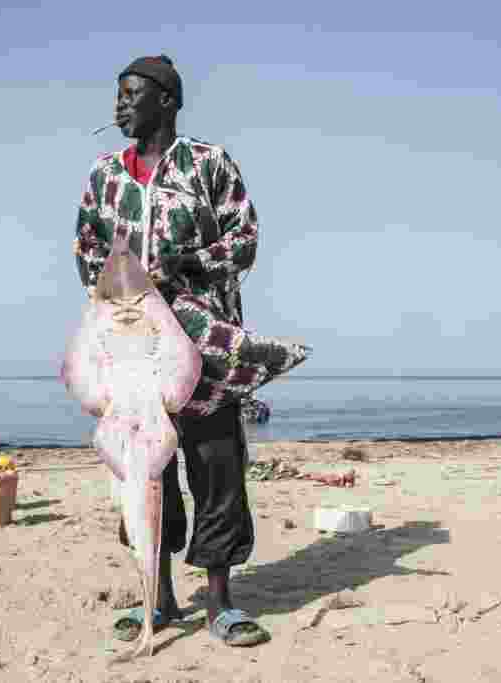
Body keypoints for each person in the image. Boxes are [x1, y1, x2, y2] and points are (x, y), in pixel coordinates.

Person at [73, 55, 310, 647]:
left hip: (204, 349)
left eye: (131, 95)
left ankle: (221, 604)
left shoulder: (210, 165)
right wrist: (114, 286)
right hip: (134, 350)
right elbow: (84, 250)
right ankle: (158, 598)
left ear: (167, 101)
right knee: (142, 471)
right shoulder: (104, 177)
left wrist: (187, 263)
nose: (120, 106)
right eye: (117, 96)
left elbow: (245, 240)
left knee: (216, 465)